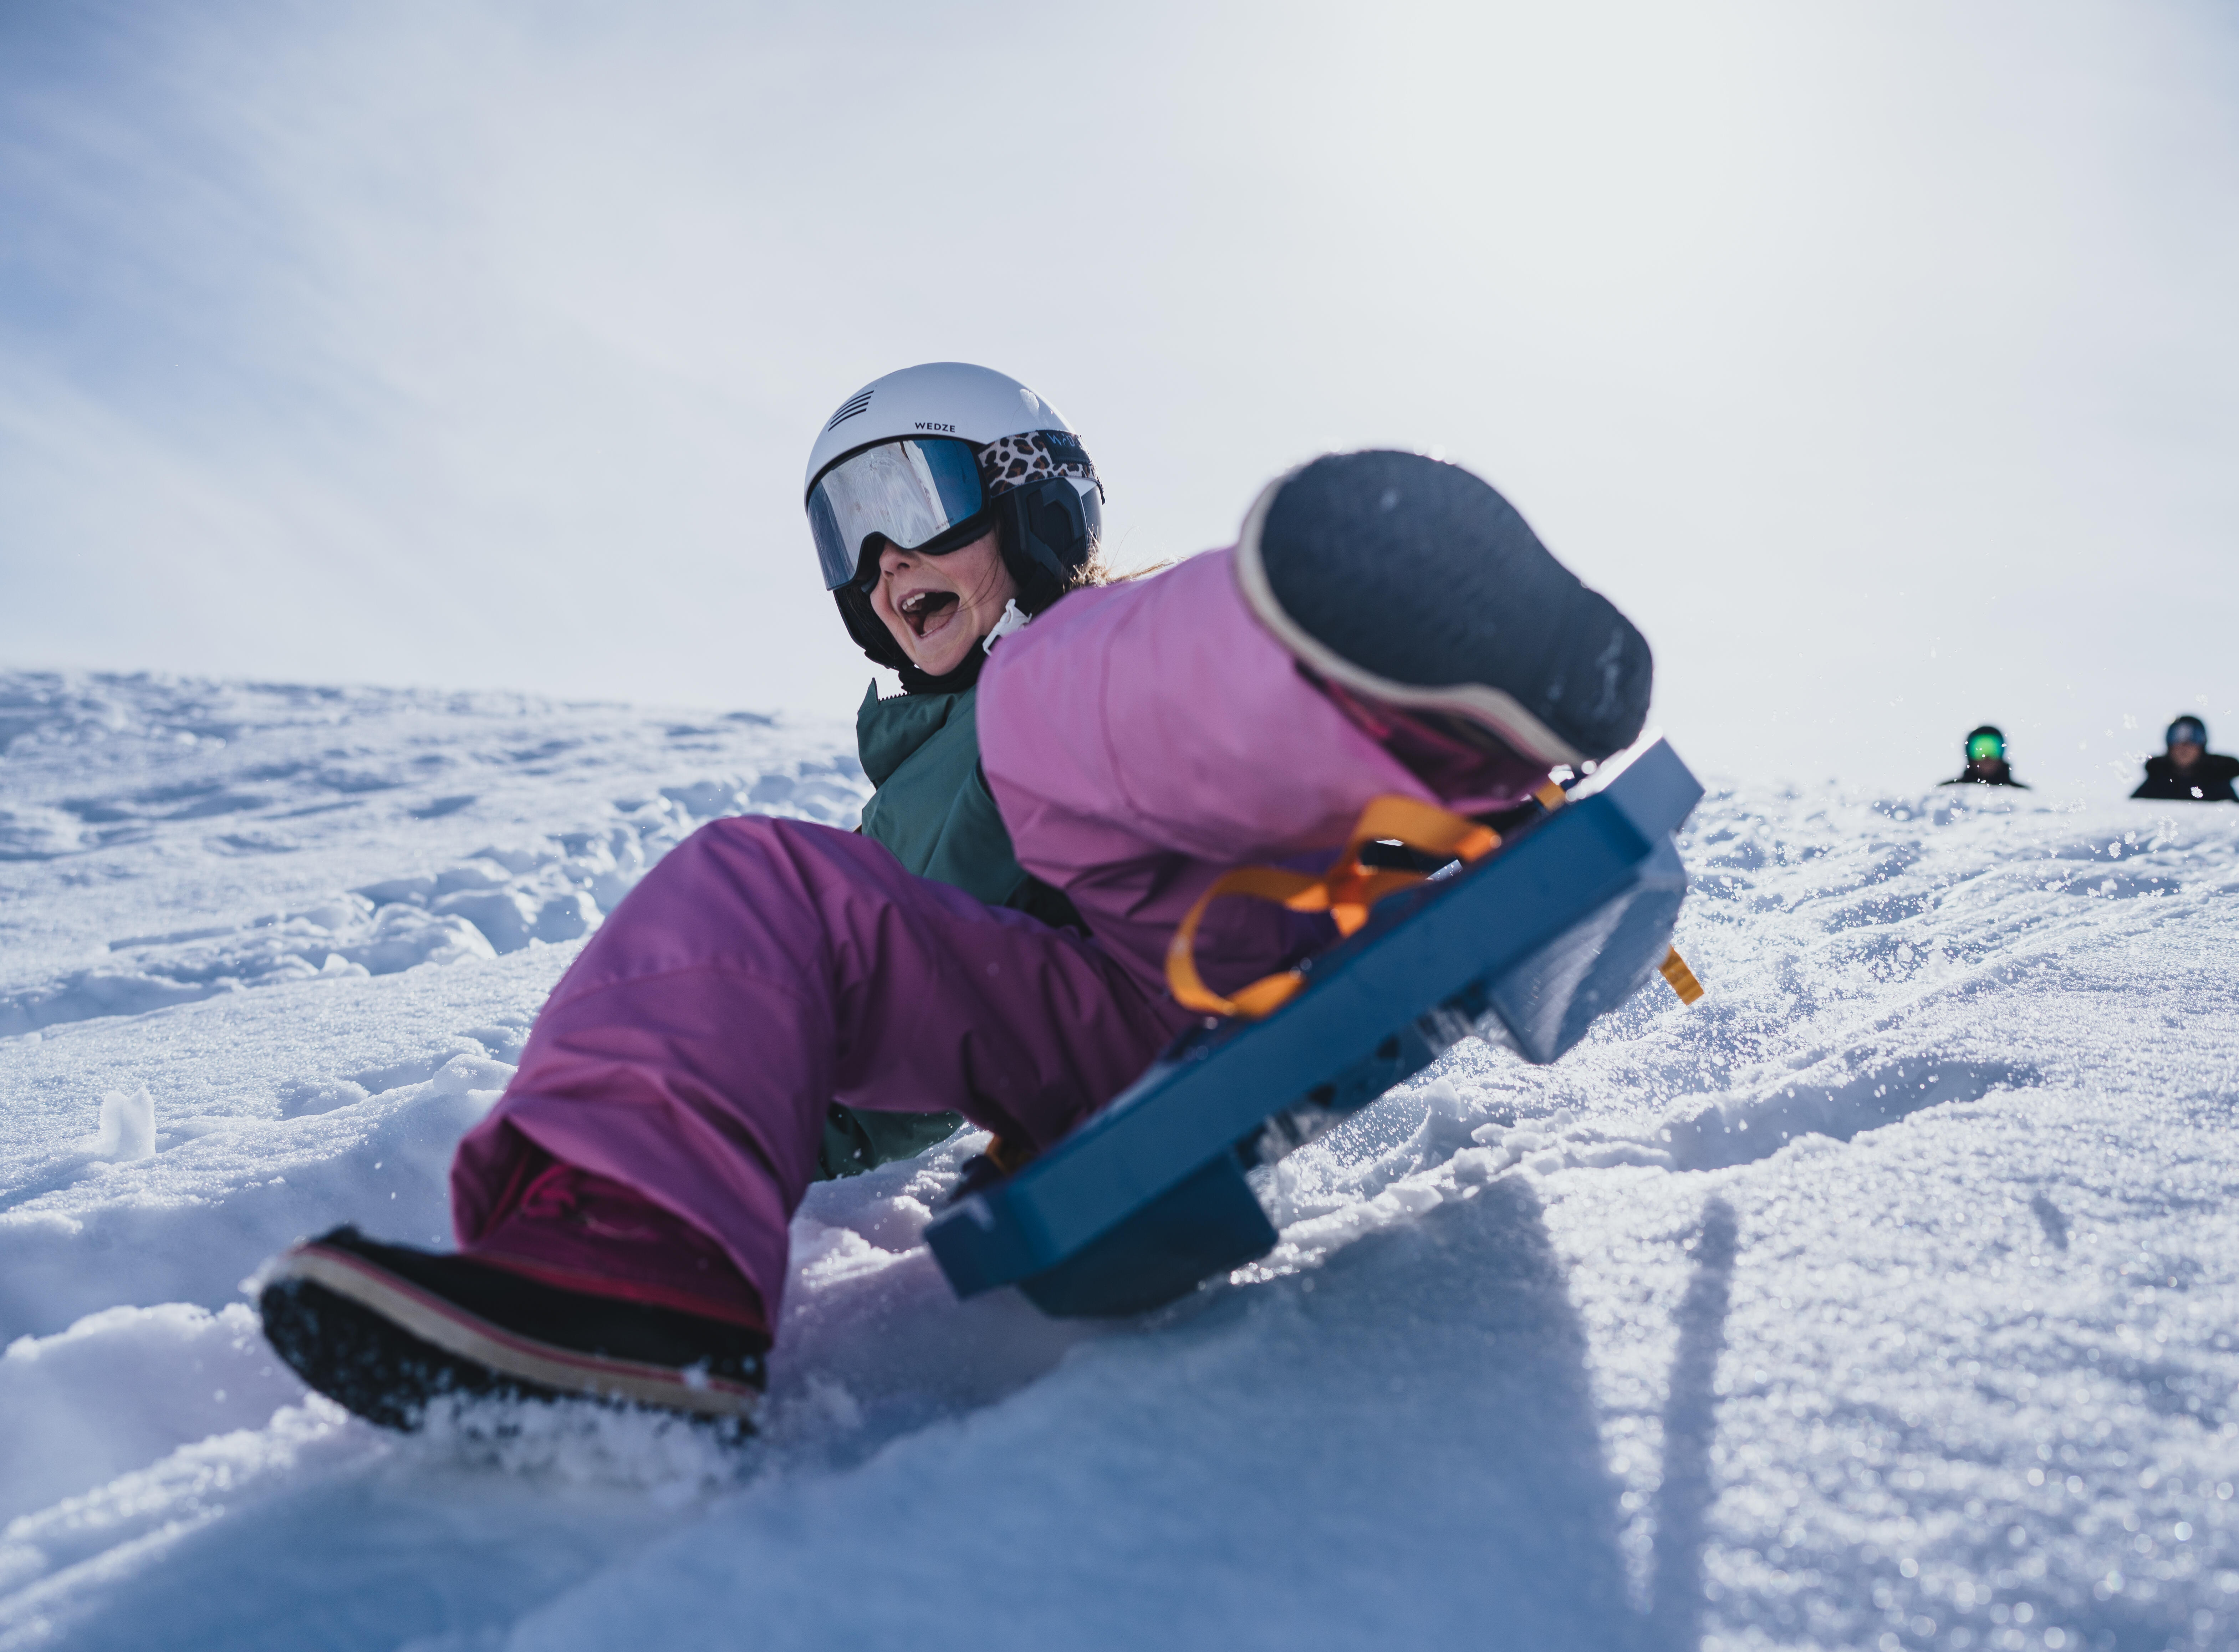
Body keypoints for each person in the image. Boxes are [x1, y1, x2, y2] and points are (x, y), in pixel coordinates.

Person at [257, 363, 1656, 1426]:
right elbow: (890, 1003)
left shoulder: (1070, 646)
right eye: (841, 539)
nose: (879, 568)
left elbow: (1119, 690)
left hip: (1254, 904)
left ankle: (1414, 685)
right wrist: (785, 1091)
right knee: (753, 879)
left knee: (1059, 684)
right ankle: (633, 1274)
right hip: (1095, 1023)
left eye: (905, 504)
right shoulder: (908, 788)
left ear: (1035, 499)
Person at [2131, 714, 2239, 802]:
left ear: (2202, 746)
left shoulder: (2219, 784)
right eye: (2176, 737)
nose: (2185, 746)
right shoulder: (2155, 784)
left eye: (2194, 737)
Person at [1938, 724, 2027, 789]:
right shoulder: (1949, 791)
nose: (1987, 757)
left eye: (1994, 749)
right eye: (1979, 750)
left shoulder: (2022, 794)